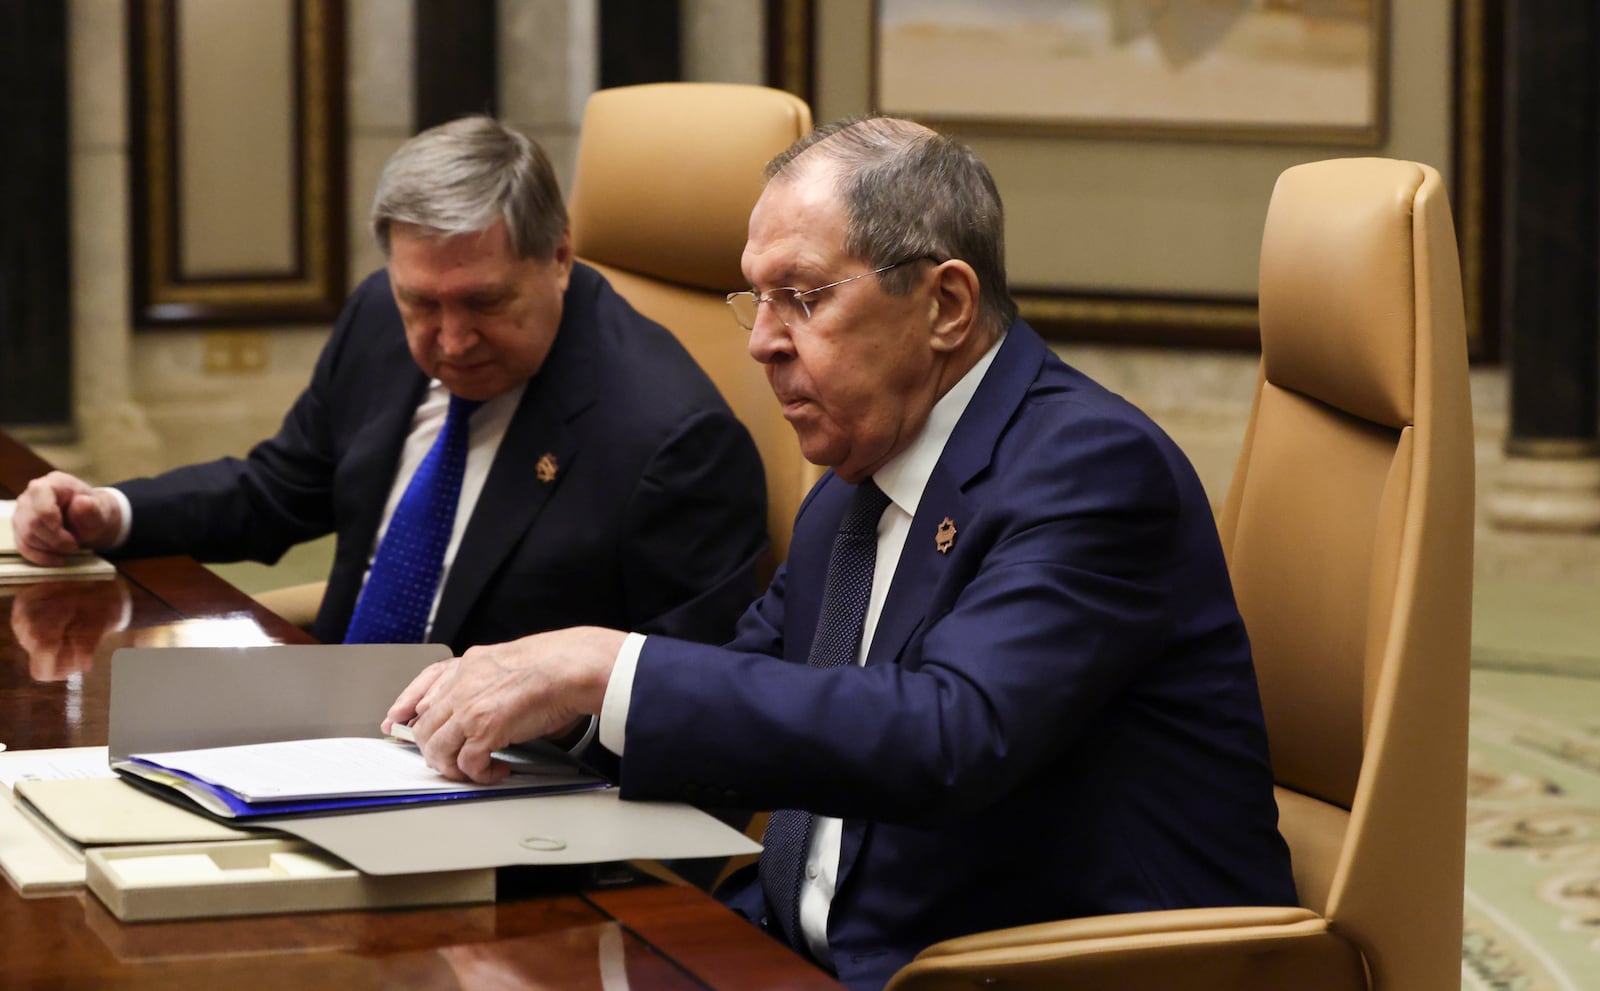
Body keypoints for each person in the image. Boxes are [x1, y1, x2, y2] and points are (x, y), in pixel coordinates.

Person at [382, 116, 1298, 991]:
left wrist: (608, 663)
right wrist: (554, 706)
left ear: (945, 303)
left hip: (1017, 967)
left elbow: (949, 733)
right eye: (757, 297)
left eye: (804, 297)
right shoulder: (857, 484)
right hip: (786, 949)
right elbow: (743, 705)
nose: (764, 341)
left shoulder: (1089, 468)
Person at [10, 116, 768, 654]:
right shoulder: (378, 315)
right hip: (332, 725)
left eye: (483, 301)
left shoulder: (671, 440)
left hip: (507, 786)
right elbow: (281, 489)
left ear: (560, 256)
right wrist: (109, 513)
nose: (449, 340)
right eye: (422, 303)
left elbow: (691, 695)